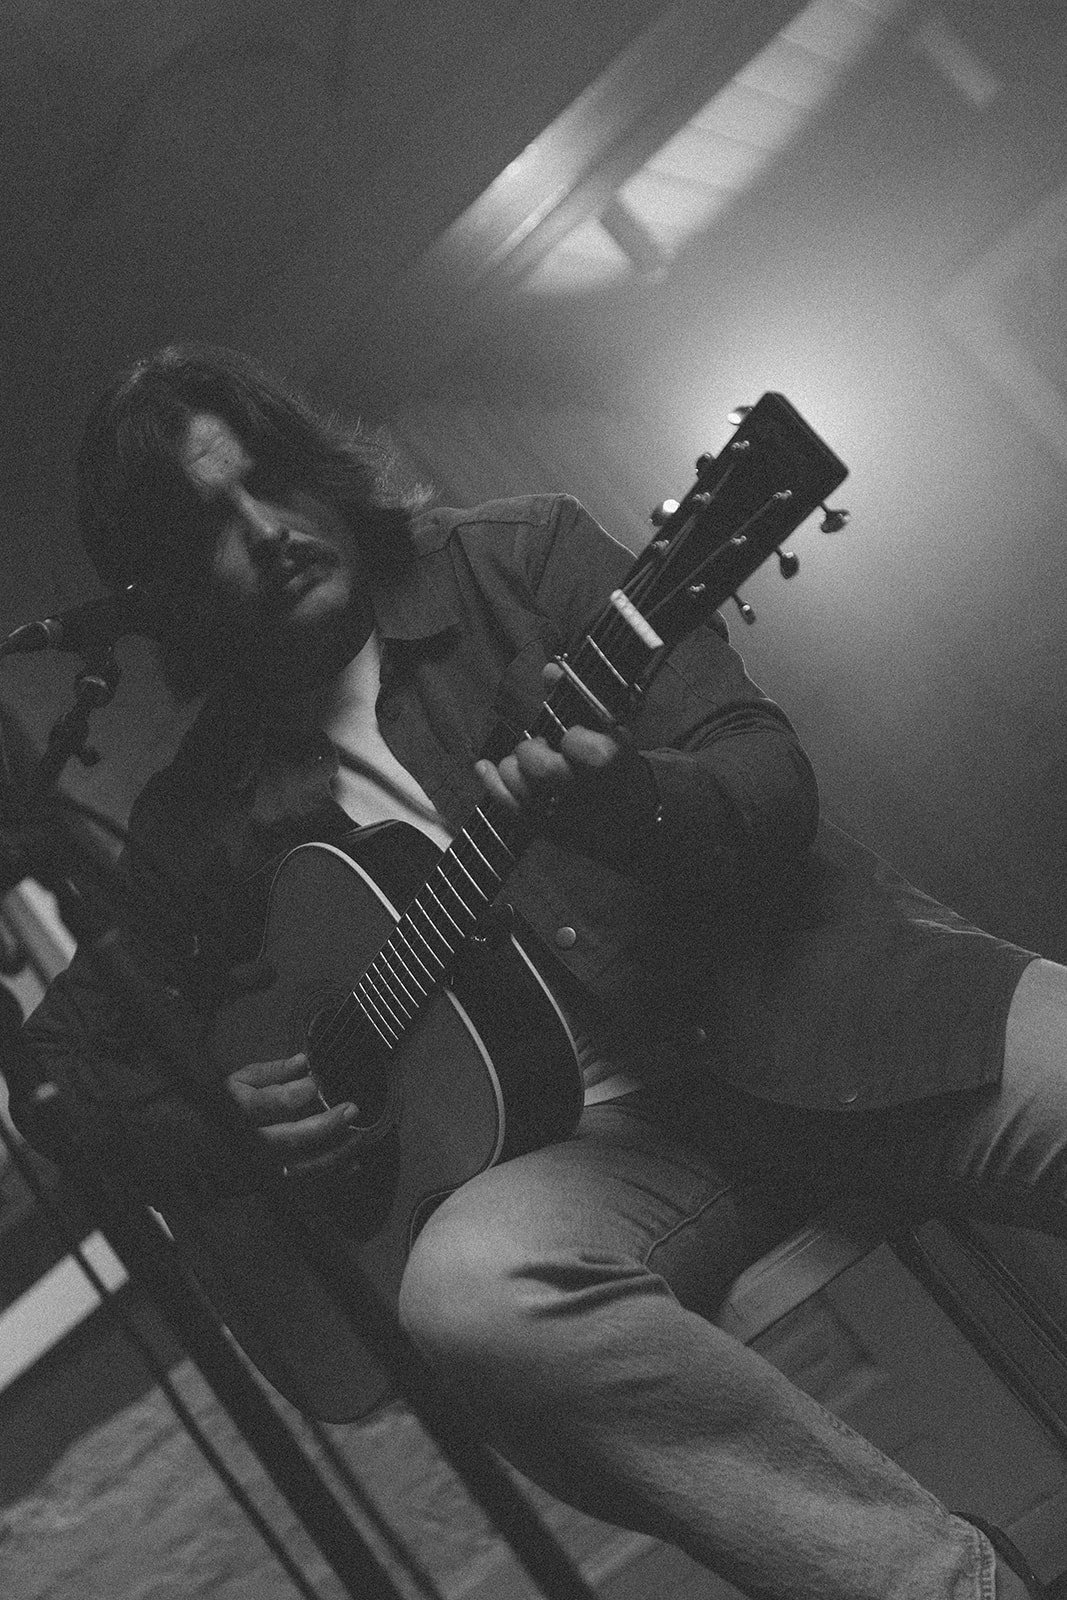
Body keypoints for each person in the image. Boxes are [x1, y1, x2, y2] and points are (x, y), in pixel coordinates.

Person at [17, 342, 1067, 1600]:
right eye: (208, 527)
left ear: (314, 472)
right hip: (604, 1156)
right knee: (465, 1300)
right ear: (165, 594)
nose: (268, 531)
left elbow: (764, 777)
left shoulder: (516, 556)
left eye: (270, 484)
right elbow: (68, 1063)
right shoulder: (204, 822)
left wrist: (631, 806)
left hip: (836, 1019)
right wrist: (217, 1121)